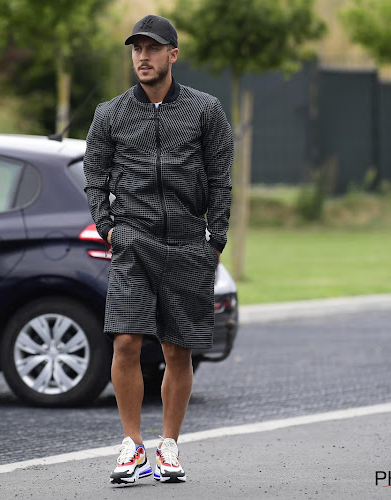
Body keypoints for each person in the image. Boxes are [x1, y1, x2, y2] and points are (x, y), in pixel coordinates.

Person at [83, 13, 233, 485]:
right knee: (126, 340)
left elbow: (220, 178)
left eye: (152, 48)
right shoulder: (111, 114)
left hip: (189, 243)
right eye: (136, 49)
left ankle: (168, 446)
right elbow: (95, 178)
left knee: (178, 352)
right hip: (134, 242)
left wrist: (216, 239)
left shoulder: (205, 110)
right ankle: (132, 446)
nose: (142, 57)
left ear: (173, 54)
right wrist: (110, 228)